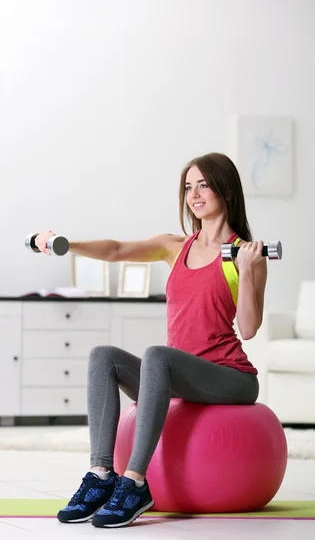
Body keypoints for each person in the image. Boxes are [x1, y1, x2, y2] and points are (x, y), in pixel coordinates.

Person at [35, 152, 267, 529]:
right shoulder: (175, 247)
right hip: (177, 377)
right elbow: (115, 250)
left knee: (159, 355)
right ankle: (101, 476)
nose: (194, 194)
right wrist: (65, 243)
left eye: (203, 185)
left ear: (226, 189)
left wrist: (247, 270)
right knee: (103, 356)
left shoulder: (245, 254)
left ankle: (136, 483)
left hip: (230, 377)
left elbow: (250, 327)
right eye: (188, 187)